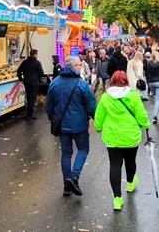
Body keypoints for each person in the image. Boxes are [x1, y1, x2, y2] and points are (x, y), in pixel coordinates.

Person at [94, 70, 150, 211]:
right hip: (130, 135)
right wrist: (146, 125)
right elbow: (141, 114)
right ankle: (130, 183)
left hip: (112, 136)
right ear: (126, 81)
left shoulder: (106, 98)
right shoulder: (133, 96)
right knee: (130, 161)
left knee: (115, 165)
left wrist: (98, 127)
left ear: (112, 81)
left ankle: (117, 199)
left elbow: (99, 115)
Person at [46, 57, 97, 197]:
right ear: (73, 66)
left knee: (66, 153)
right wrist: (96, 119)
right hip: (80, 125)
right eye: (79, 64)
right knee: (83, 149)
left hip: (62, 125)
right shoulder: (82, 84)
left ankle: (66, 185)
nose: (81, 67)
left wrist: (53, 119)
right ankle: (74, 177)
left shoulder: (55, 83)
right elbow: (91, 105)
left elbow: (49, 106)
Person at [17, 49, 44, 120]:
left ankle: (29, 112)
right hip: (34, 83)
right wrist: (38, 78)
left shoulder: (25, 62)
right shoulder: (37, 63)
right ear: (34, 54)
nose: (37, 55)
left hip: (26, 82)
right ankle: (30, 114)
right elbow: (41, 73)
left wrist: (21, 79)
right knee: (32, 98)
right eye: (37, 54)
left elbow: (18, 71)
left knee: (28, 97)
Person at [145, 51, 159, 124]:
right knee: (158, 99)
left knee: (158, 98)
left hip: (151, 83)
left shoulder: (148, 63)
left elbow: (147, 74)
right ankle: (154, 116)